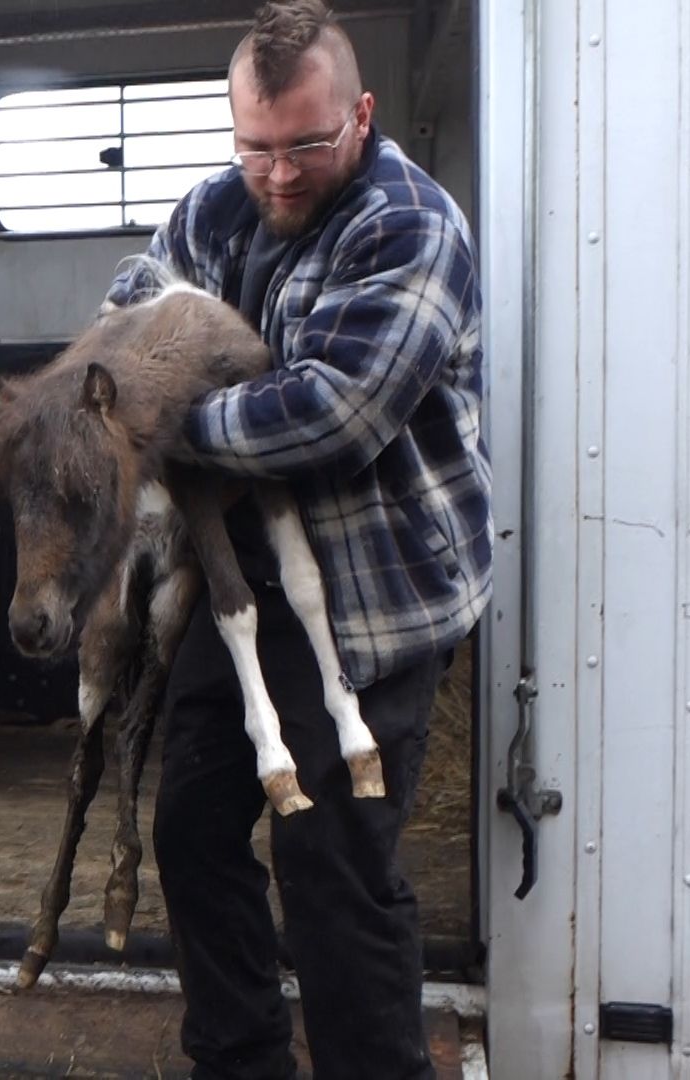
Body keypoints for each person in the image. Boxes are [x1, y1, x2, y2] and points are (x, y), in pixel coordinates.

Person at [103, 3, 491, 1077]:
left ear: (360, 116)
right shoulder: (214, 211)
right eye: (257, 146)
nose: (278, 174)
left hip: (374, 597)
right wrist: (166, 385)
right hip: (235, 590)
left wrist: (170, 425)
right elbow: (124, 317)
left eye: (307, 146)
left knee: (329, 862)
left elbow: (332, 417)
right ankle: (243, 1061)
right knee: (189, 833)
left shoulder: (408, 224)